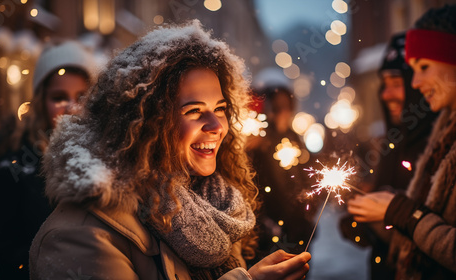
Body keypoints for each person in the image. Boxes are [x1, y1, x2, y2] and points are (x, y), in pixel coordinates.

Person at [29, 20, 311, 280]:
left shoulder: (213, 207)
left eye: (220, 109)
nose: (216, 126)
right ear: (146, 122)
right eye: (194, 110)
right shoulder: (82, 235)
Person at [347, 5, 456, 279]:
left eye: (423, 67)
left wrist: (400, 212)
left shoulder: (436, 139)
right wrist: (368, 222)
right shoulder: (436, 139)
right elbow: (415, 243)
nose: (416, 82)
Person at [0, 40, 95, 279]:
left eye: (81, 96)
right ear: (41, 103)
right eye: (59, 97)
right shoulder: (14, 169)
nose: (71, 107)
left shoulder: (109, 162)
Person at [247, 84, 314, 257]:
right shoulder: (260, 140)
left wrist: (309, 209)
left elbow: (307, 174)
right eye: (277, 106)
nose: (282, 111)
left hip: (298, 226)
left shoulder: (295, 138)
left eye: (286, 105)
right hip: (272, 229)